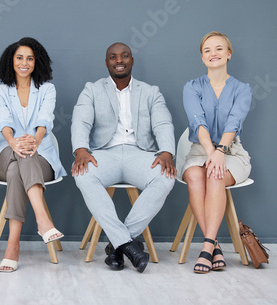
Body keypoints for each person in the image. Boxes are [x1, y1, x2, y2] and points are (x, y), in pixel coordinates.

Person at [71, 43, 176, 273]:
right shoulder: (92, 89)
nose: (119, 60)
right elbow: (81, 120)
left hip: (140, 153)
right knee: (83, 175)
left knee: (166, 177)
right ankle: (129, 244)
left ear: (132, 61)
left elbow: (162, 123)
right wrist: (80, 149)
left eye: (124, 56)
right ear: (107, 62)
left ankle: (118, 246)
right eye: (113, 57)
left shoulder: (151, 92)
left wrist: (167, 151)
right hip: (104, 153)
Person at [0, 37, 66, 272]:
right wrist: (13, 143)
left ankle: (12, 246)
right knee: (19, 156)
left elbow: (45, 119)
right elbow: (3, 121)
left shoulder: (47, 89)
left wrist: (36, 141)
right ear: (11, 61)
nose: (24, 62)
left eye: (30, 58)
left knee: (17, 168)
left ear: (36, 62)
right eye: (19, 57)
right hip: (5, 152)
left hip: (41, 156)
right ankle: (43, 220)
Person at [182, 31, 252, 274]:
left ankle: (206, 246)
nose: (213, 54)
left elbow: (234, 122)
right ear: (202, 58)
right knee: (193, 175)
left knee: (215, 175)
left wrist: (220, 151)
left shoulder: (243, 89)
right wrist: (212, 152)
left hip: (232, 153)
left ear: (229, 54)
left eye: (219, 49)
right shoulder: (192, 87)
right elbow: (198, 123)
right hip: (200, 150)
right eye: (207, 50)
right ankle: (215, 246)